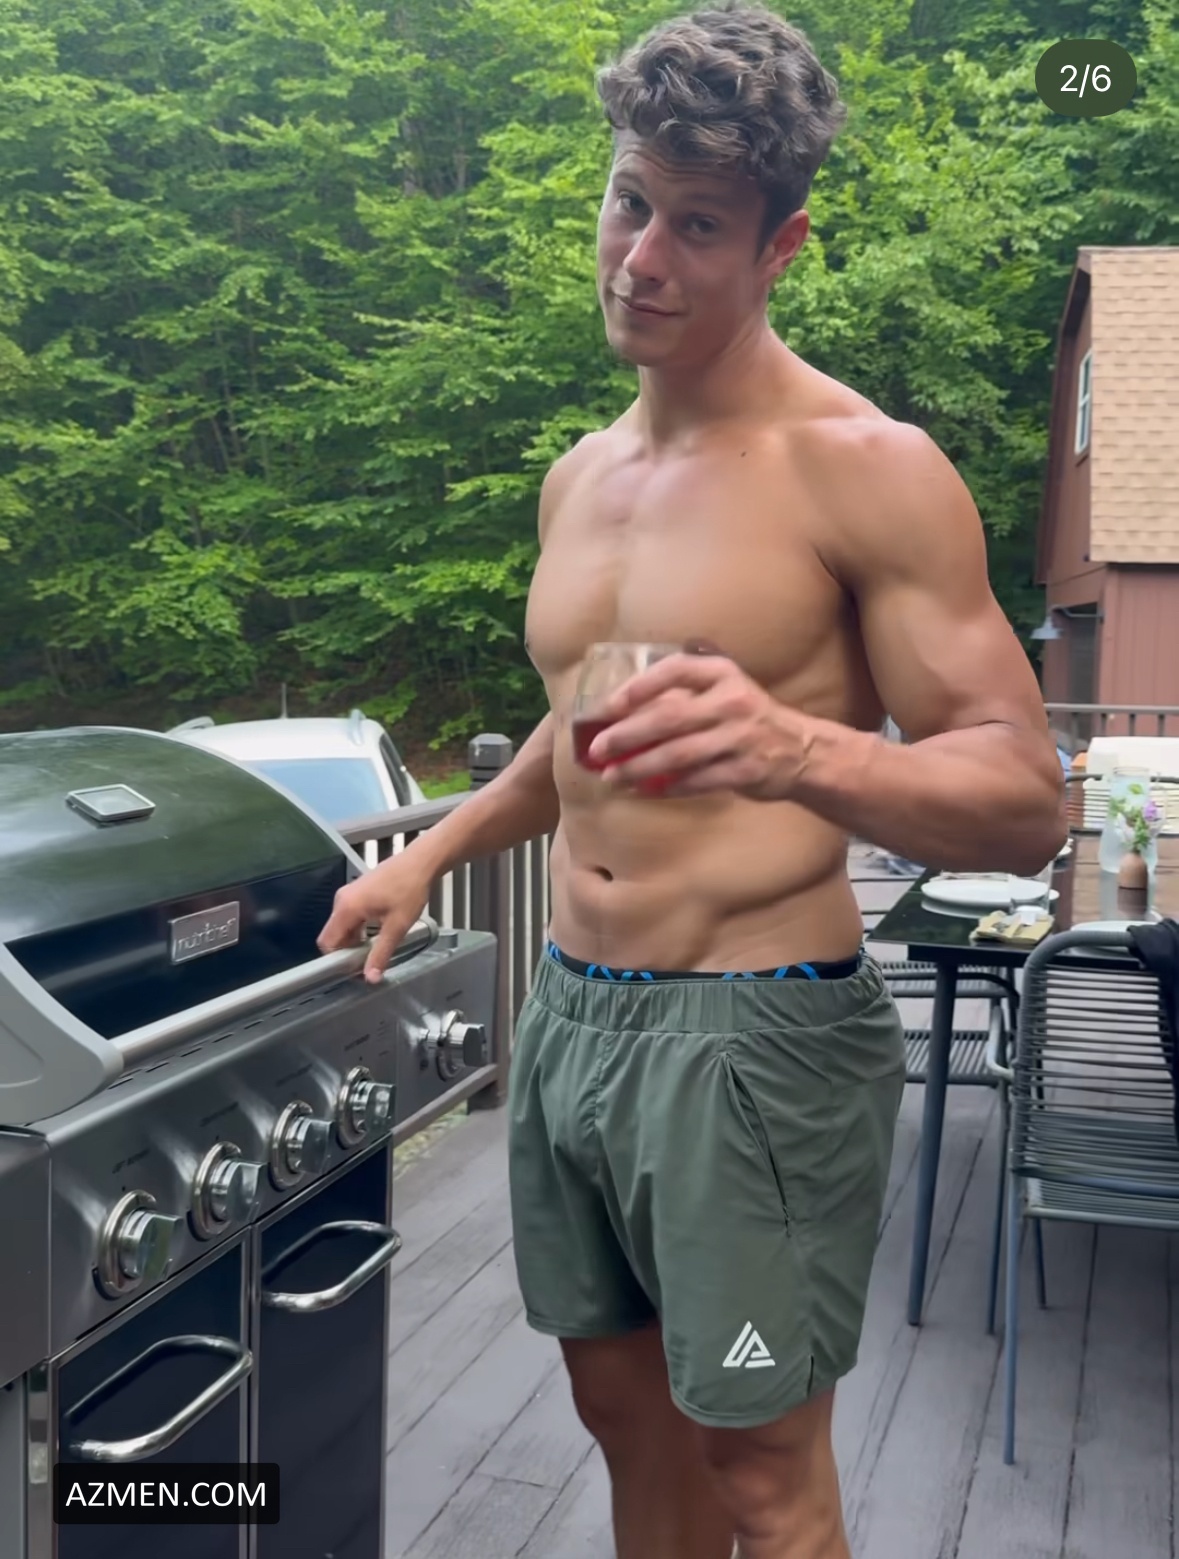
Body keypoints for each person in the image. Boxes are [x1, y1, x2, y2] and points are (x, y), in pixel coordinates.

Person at [318, 5, 1067, 1555]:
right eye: (629, 203)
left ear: (781, 246)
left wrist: (797, 747)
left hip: (753, 1043)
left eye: (700, 227)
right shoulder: (580, 478)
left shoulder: (866, 468)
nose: (641, 259)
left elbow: (1020, 799)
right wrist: (432, 853)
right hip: (573, 1021)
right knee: (623, 1419)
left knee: (760, 1470)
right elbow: (582, 733)